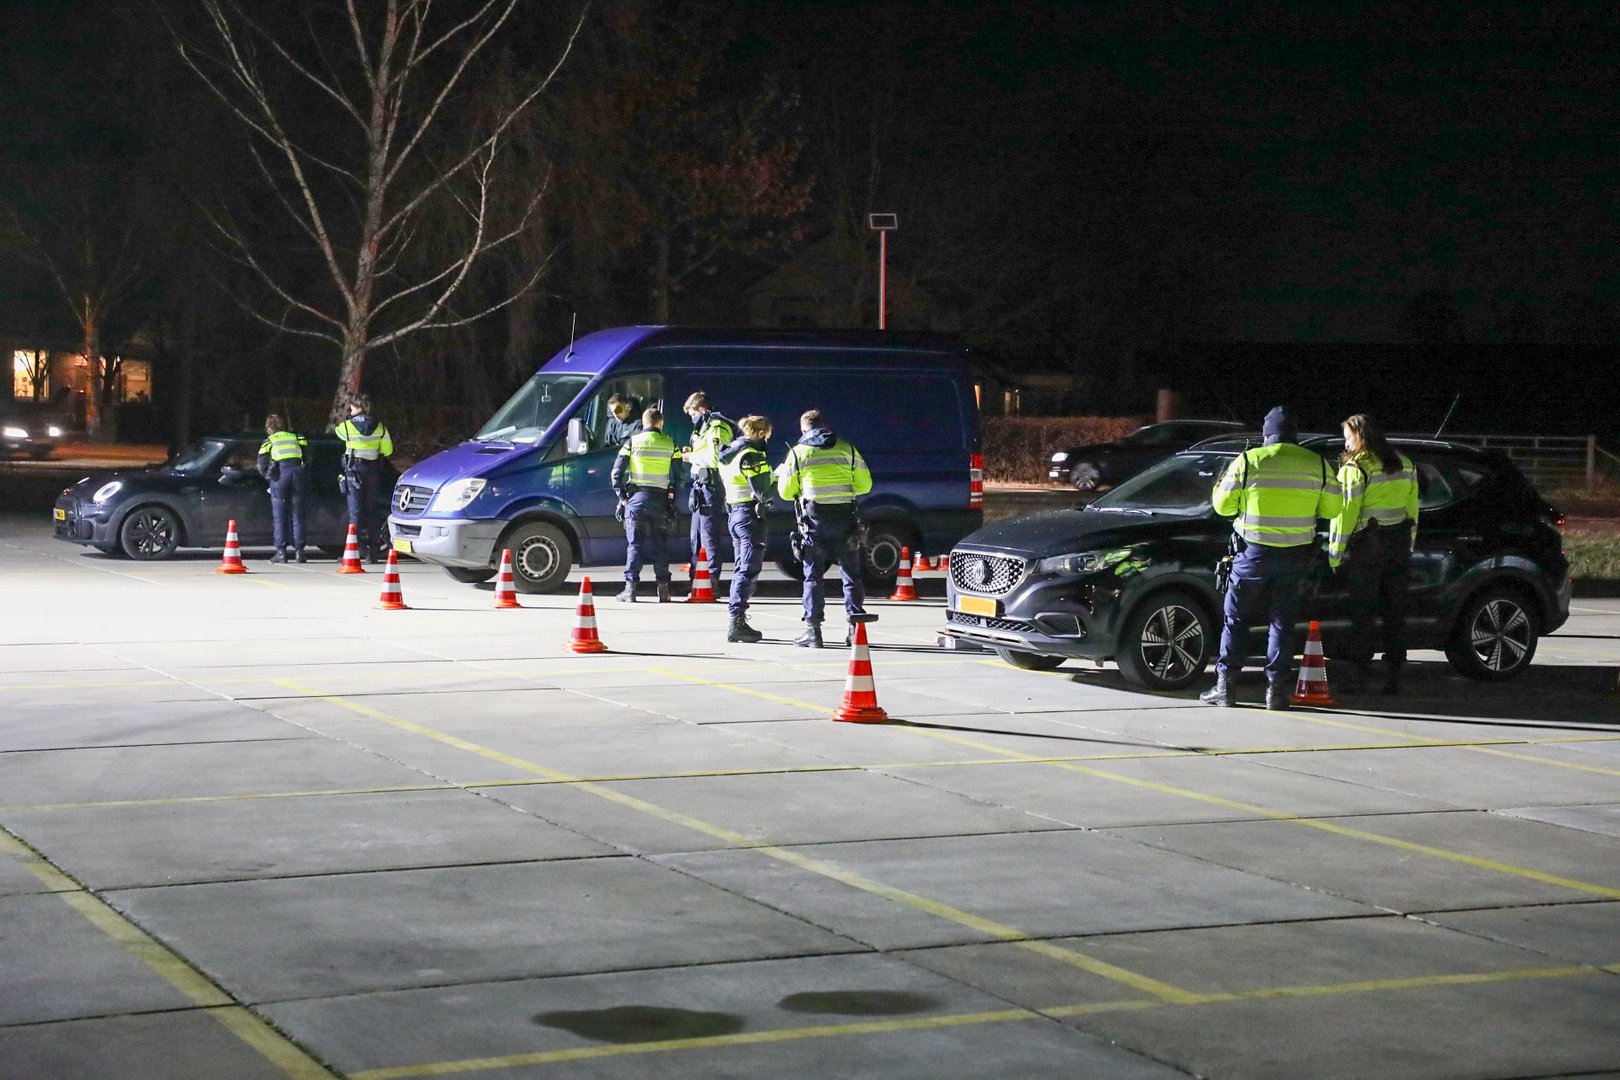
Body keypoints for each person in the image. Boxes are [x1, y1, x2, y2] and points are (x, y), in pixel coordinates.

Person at [1202, 406, 1342, 710]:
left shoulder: (1250, 460)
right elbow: (1332, 510)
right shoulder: (1317, 464)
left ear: (1267, 434)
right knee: (1283, 624)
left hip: (1253, 555)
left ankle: (1226, 688)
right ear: (1294, 435)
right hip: (1295, 557)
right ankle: (1276, 693)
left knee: (1235, 620)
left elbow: (1223, 506)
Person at [1327, 413, 1420, 695]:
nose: (1346, 444)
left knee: (1363, 614)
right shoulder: (1405, 463)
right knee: (1395, 614)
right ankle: (1394, 677)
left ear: (1361, 437)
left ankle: (1358, 677)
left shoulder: (1356, 468)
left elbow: (1344, 516)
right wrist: (1410, 545)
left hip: (1368, 549)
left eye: (1348, 438)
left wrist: (1334, 553)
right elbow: (1412, 511)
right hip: (1398, 546)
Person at [776, 408, 872, 648]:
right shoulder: (847, 448)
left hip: (814, 523)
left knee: (813, 577)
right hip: (845, 520)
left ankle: (813, 631)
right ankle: (854, 630)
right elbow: (865, 485)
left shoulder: (798, 453)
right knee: (851, 575)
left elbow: (786, 493)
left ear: (803, 429)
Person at [717, 415, 775, 643]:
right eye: (767, 436)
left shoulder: (728, 454)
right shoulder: (751, 455)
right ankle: (737, 622)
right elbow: (763, 491)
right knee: (748, 569)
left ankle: (737, 619)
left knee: (741, 566)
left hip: (734, 513)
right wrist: (776, 478)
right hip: (750, 515)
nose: (767, 440)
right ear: (761, 433)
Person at [610, 407, 676, 602]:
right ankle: (663, 590)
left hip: (636, 500)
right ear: (660, 423)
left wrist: (623, 498)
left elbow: (616, 474)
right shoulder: (670, 443)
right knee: (660, 546)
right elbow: (678, 476)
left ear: (643, 422)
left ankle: (630, 590)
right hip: (660, 501)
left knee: (635, 545)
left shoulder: (632, 442)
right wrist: (672, 498)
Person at [679, 391, 734, 592]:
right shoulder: (703, 428)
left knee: (708, 535)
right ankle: (697, 579)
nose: (692, 418)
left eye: (693, 414)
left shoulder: (718, 428)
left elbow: (715, 458)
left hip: (711, 485)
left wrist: (691, 457)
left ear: (702, 409)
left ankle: (712, 580)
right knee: (696, 536)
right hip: (699, 485)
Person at [333, 394, 395, 563]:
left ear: (358, 408)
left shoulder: (347, 426)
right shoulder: (380, 427)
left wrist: (349, 419)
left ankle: (356, 551)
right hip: (373, 471)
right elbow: (388, 451)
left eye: (352, 408)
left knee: (355, 512)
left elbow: (337, 432)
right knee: (371, 511)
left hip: (355, 471)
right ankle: (373, 553)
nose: (350, 410)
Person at [257, 414, 310, 563]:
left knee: (279, 517)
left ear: (269, 428)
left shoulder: (269, 441)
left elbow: (261, 463)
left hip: (280, 476)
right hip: (298, 475)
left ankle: (281, 553)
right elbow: (308, 456)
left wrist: (268, 476)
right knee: (298, 515)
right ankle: (300, 552)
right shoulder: (297, 437)